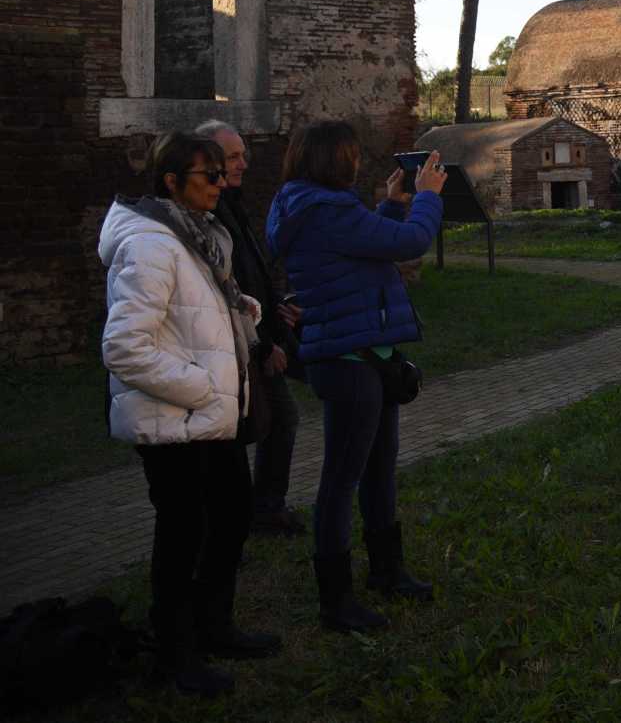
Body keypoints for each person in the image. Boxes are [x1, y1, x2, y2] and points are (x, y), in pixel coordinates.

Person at [100, 131, 281, 697]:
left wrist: (238, 309)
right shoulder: (151, 244)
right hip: (175, 422)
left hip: (208, 421)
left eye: (221, 174)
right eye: (210, 176)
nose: (222, 184)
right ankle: (175, 654)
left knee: (229, 516)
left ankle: (213, 625)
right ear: (171, 182)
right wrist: (202, 388)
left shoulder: (197, 234)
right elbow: (126, 346)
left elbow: (188, 313)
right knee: (182, 536)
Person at [267, 122, 445, 632]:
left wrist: (390, 204)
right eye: (348, 154)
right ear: (330, 161)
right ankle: (336, 601)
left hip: (363, 353)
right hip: (348, 362)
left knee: (379, 467)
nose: (355, 162)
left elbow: (368, 247)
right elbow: (410, 243)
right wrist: (427, 198)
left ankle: (388, 571)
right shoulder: (325, 210)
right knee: (341, 481)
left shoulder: (305, 207)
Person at [196, 121, 304, 536]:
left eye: (244, 154)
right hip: (238, 347)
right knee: (262, 425)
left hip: (257, 334)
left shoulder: (232, 205)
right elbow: (225, 290)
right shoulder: (209, 217)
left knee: (274, 422)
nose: (245, 163)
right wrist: (260, 346)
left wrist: (276, 309)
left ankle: (258, 509)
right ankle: (251, 514)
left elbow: (250, 273)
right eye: (234, 157)